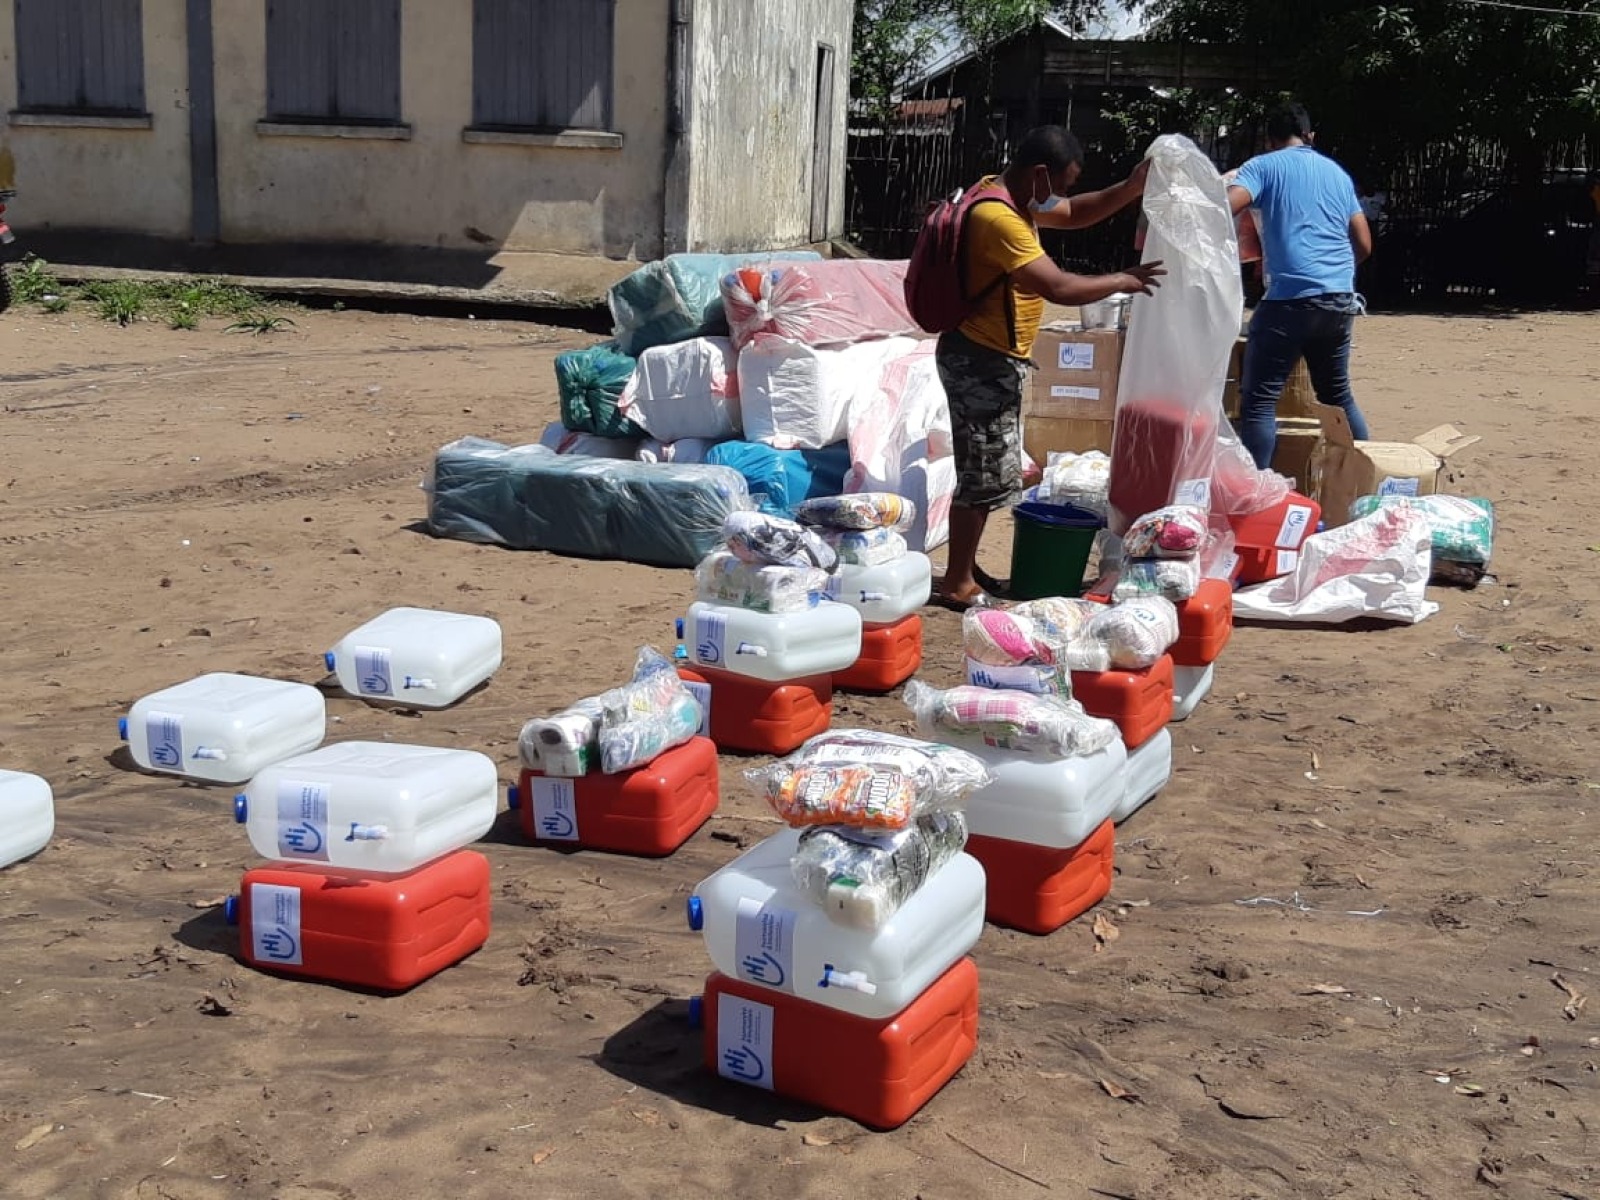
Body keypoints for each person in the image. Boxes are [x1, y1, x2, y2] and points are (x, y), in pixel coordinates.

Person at [934, 125, 1165, 611]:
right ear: (1040, 174)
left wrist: (1130, 188)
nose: (1063, 195)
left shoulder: (1005, 194)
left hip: (990, 354)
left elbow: (1077, 213)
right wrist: (1125, 279)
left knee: (985, 468)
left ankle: (963, 569)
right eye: (1061, 183)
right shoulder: (1000, 220)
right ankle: (957, 582)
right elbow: (1055, 286)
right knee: (983, 475)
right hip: (981, 357)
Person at [1228, 103, 1374, 469]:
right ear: (1311, 137)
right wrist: (1331, 275)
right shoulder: (1336, 173)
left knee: (1260, 400)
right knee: (1337, 395)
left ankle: (1256, 488)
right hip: (1340, 300)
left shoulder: (1263, 166)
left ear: (1269, 139)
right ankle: (1367, 474)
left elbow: (1226, 207)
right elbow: (1365, 244)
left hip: (1289, 303)